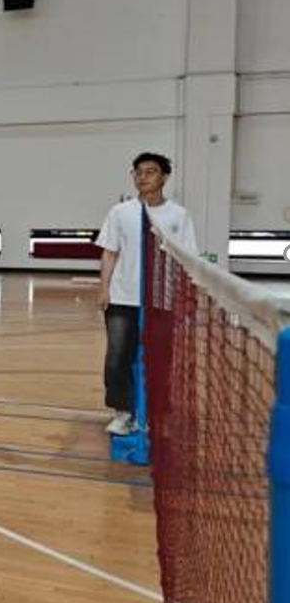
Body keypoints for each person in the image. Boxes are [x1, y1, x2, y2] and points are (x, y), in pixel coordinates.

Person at [96, 152, 197, 436]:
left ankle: (156, 413)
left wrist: (186, 297)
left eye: (150, 172)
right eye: (138, 172)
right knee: (117, 357)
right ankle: (123, 412)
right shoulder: (120, 212)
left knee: (160, 360)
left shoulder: (179, 216)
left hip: (162, 299)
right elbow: (109, 252)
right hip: (122, 298)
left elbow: (187, 259)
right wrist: (104, 288)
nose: (143, 177)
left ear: (164, 177)